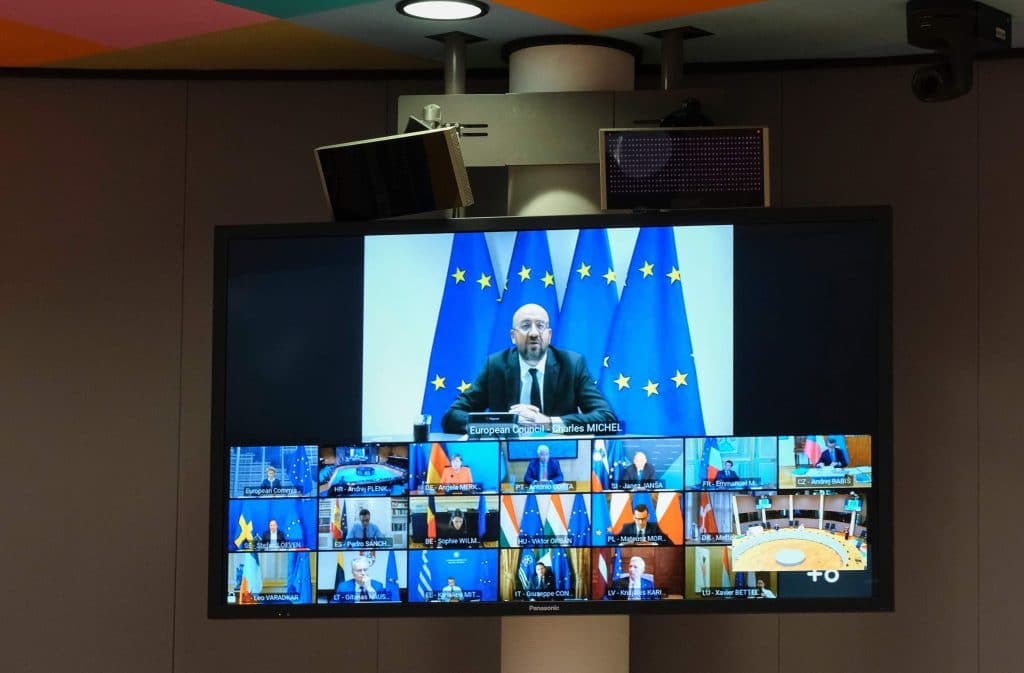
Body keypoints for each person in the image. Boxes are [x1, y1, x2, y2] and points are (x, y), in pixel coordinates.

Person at [441, 304, 617, 434]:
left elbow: (608, 420)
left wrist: (548, 423)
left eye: (540, 326)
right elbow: (451, 417)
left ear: (549, 335)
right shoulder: (496, 366)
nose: (533, 333)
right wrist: (504, 424)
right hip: (506, 460)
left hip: (561, 457)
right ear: (513, 336)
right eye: (525, 326)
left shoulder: (572, 364)